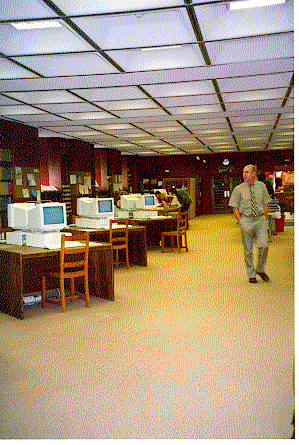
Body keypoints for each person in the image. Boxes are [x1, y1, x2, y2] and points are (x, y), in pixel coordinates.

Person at [229, 164, 271, 283]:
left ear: (254, 174)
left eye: (247, 172)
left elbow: (265, 202)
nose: (244, 174)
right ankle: (251, 273)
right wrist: (241, 221)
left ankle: (260, 269)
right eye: (243, 172)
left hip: (260, 220)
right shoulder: (238, 189)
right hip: (246, 220)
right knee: (248, 249)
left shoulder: (262, 186)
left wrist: (264, 215)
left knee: (264, 245)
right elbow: (234, 206)